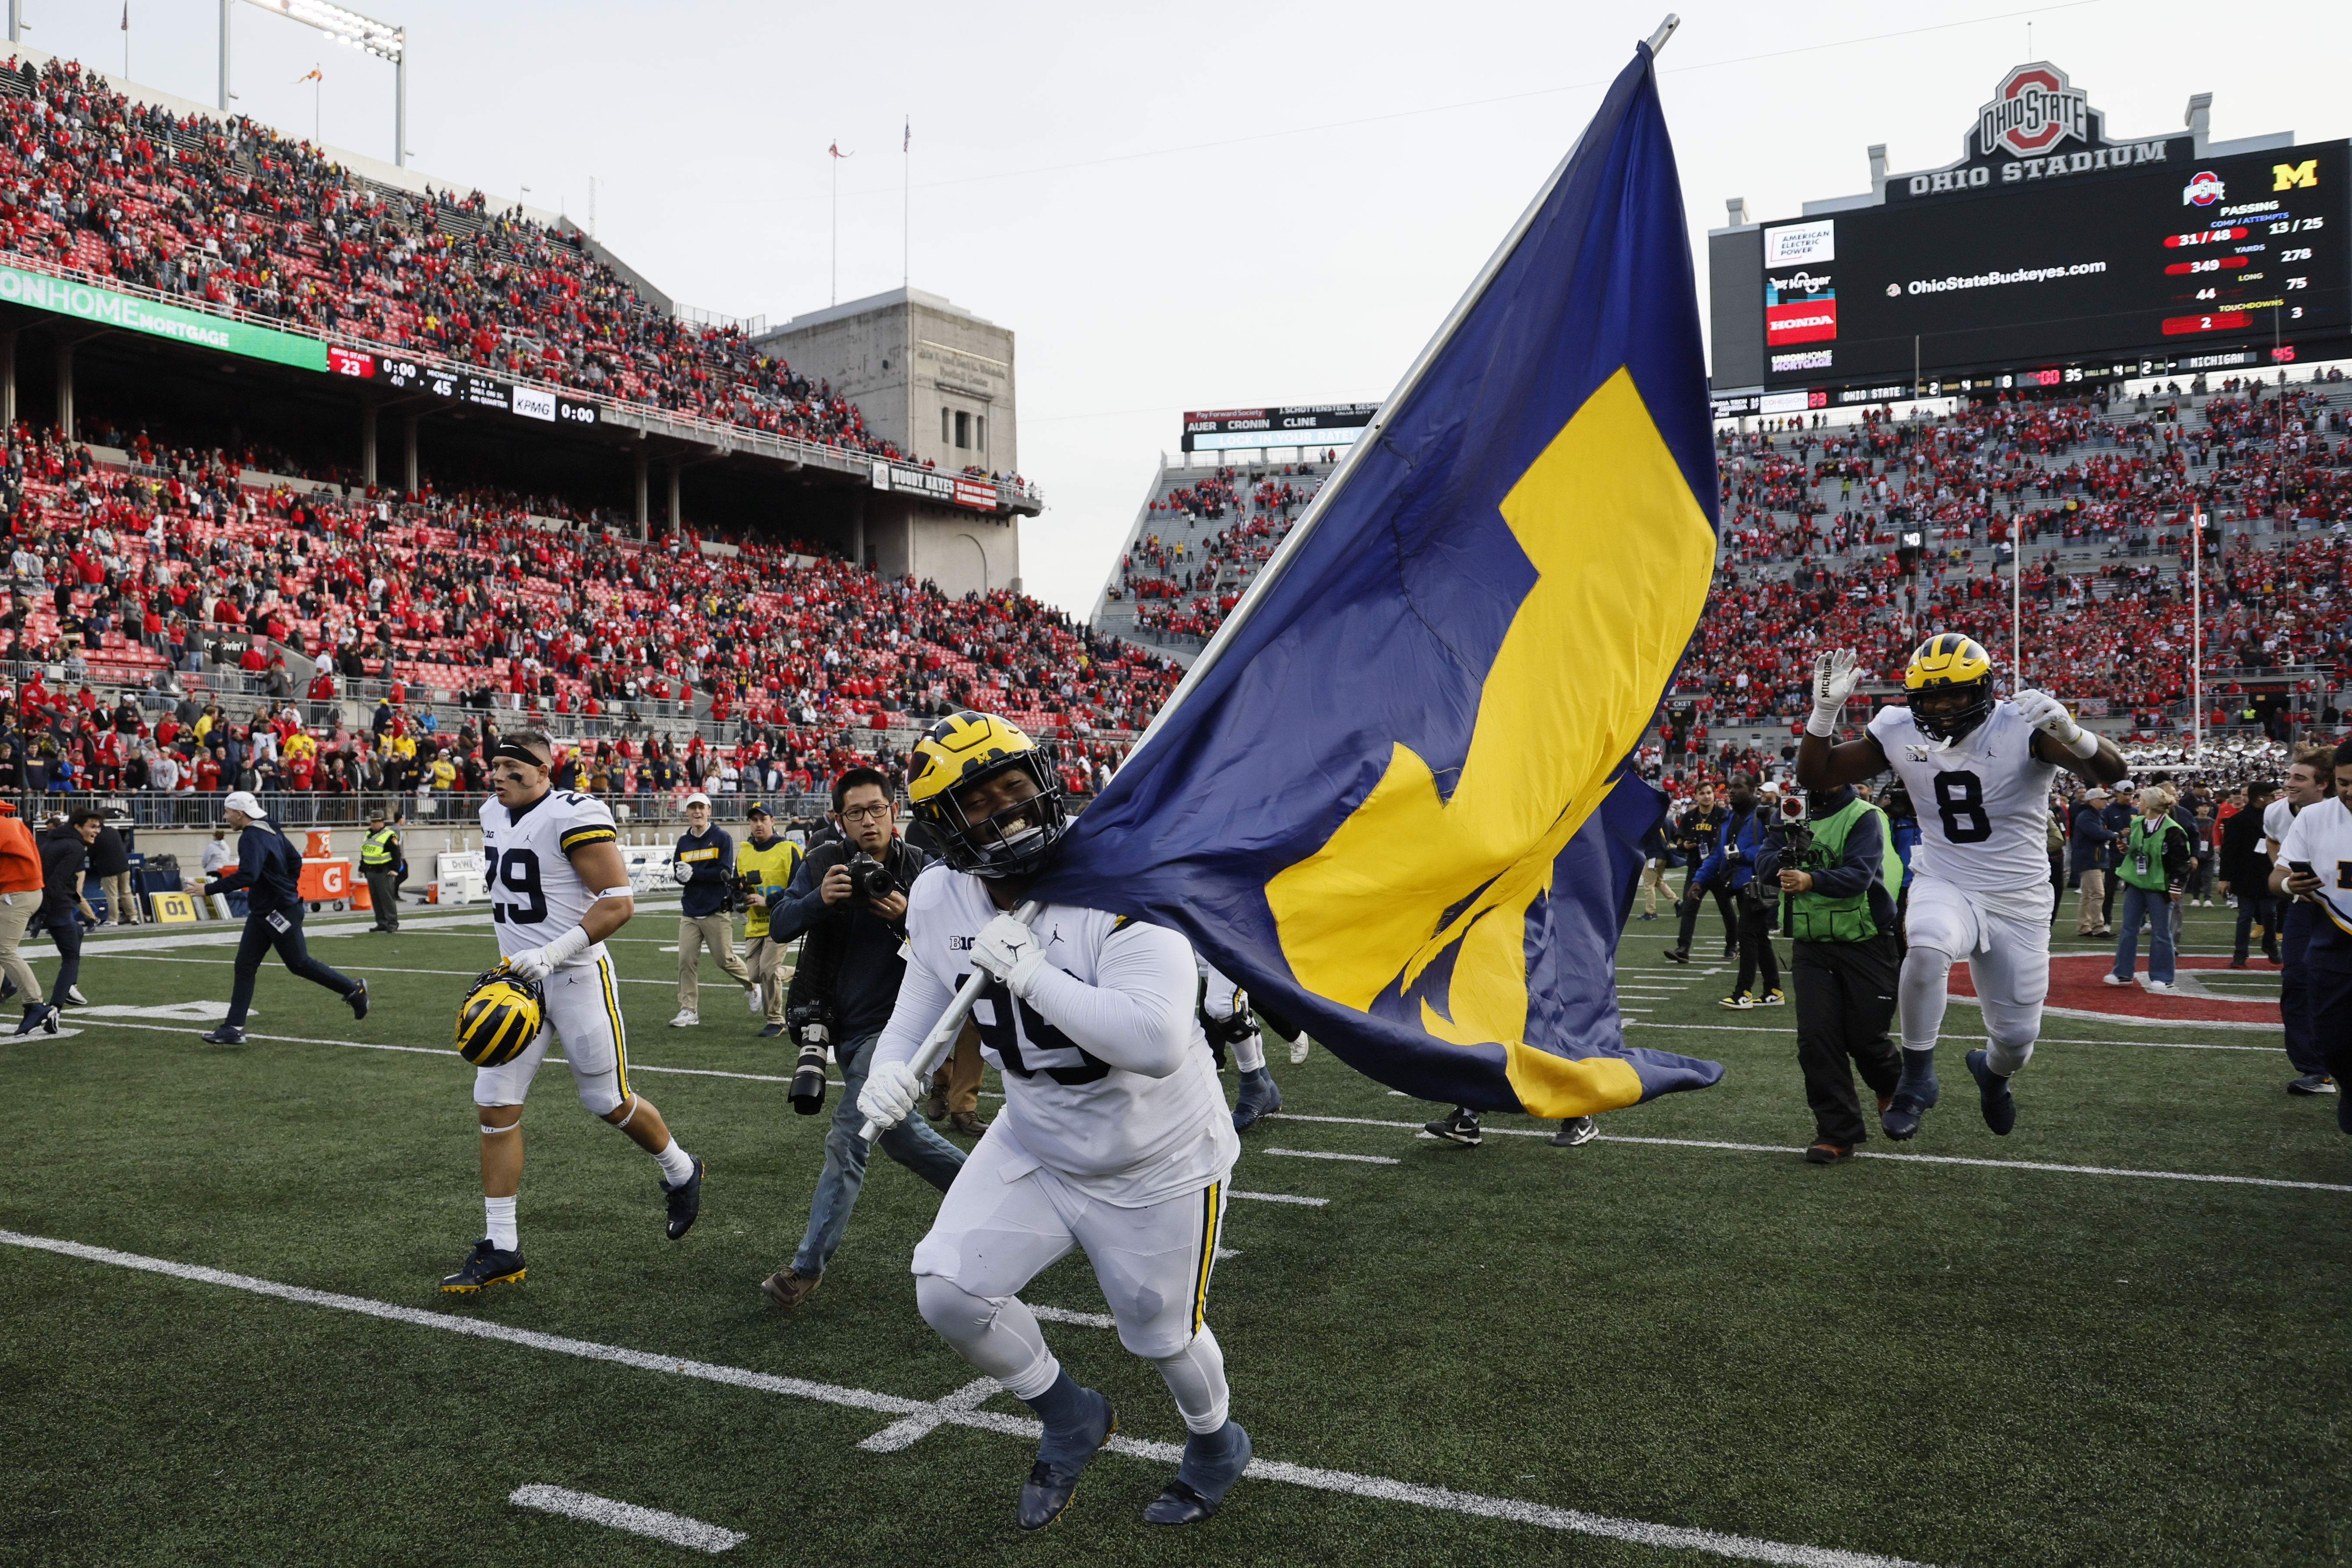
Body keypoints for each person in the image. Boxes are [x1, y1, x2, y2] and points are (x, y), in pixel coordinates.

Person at [856, 712, 1251, 1529]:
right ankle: (1068, 1413)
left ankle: (1215, 1440)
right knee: (949, 1290)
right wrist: (897, 1068)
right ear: (942, 825)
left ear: (1043, 776)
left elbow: (1152, 1041)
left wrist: (1032, 975)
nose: (1007, 809)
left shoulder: (1120, 874)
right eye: (979, 800)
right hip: (1035, 1135)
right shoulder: (939, 893)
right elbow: (924, 1000)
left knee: (1163, 1337)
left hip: (1157, 1156)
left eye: (1014, 785)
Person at [1798, 634, 2125, 1140]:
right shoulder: (1898, 727)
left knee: (2017, 1040)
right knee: (1925, 948)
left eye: (1953, 694)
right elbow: (1814, 773)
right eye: (1929, 697)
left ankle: (1992, 1075)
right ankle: (1915, 1077)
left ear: (1984, 689)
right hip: (1945, 877)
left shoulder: (2020, 725)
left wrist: (2074, 733)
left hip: (2018, 895)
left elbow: (2110, 770)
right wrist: (1822, 717)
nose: (1942, 707)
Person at [440, 731, 704, 1293]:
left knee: (607, 1099)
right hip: (517, 984)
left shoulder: (573, 811)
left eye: (512, 767)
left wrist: (554, 951)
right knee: (492, 1103)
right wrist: (525, 960)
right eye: (494, 766)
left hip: (577, 974)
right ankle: (502, 1246)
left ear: (544, 768)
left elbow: (618, 901)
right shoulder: (491, 811)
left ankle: (682, 1169)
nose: (499, 775)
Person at [759, 766, 963, 1309]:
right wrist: (818, 899)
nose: (867, 820)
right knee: (899, 1137)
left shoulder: (924, 872)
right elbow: (779, 926)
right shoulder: (825, 861)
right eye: (855, 812)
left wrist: (909, 919)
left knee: (850, 1136)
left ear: (895, 811)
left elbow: (956, 953)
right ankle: (998, 1193)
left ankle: (805, 1267)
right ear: (839, 817)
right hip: (830, 1022)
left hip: (897, 1029)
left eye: (876, 809)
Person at [1760, 780, 1906, 1162]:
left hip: (1866, 940)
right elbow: (1762, 865)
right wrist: (1785, 861)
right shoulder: (1791, 811)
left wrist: (1810, 879)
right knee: (1816, 1038)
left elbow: (1860, 876)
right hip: (1812, 944)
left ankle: (1893, 1085)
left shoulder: (1864, 816)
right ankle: (1837, 1131)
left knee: (1866, 1038)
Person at [198, 792, 369, 1046]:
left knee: (299, 963)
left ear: (240, 814)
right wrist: (284, 885)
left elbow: (248, 875)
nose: (225, 817)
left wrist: (208, 889)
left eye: (227, 812)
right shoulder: (271, 829)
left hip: (278, 910)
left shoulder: (252, 836)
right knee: (245, 966)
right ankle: (233, 1028)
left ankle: (354, 991)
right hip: (265, 910)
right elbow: (294, 860)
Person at [2270, 741, 2352, 1137]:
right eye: (2344, 783)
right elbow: (2276, 874)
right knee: (2332, 1037)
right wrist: (2290, 882)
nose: (2349, 791)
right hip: (2329, 929)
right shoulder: (2315, 817)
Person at [2266, 748, 2337, 1095]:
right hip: (2305, 907)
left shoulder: (2338, 814)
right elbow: (2274, 845)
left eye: (2298, 778)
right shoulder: (2278, 811)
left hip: (2343, 907)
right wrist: (2287, 881)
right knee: (2296, 978)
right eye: (2289, 775)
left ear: (2324, 784)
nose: (2288, 784)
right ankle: (2314, 1069)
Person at [1687, 774, 1782, 1008]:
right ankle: (1774, 990)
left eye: (1738, 787)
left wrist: (1743, 855)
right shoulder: (1729, 819)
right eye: (1730, 787)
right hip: (1740, 885)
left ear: (1753, 790)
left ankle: (1743, 993)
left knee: (1747, 935)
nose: (1731, 791)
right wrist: (1699, 880)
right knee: (1759, 937)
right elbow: (1719, 853)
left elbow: (1774, 847)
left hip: (1759, 883)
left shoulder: (1764, 815)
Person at [669, 791, 755, 1027]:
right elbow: (680, 873)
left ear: (709, 811)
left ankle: (752, 985)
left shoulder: (721, 837)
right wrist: (681, 876)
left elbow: (724, 872)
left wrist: (693, 874)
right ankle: (689, 1009)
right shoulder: (683, 841)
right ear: (687, 812)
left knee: (724, 959)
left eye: (701, 808)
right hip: (690, 909)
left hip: (716, 908)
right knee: (686, 961)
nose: (697, 812)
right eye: (693, 808)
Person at [2107, 784, 2190, 994]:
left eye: (2141, 800)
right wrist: (2127, 849)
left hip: (2159, 886)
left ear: (2151, 805)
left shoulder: (2173, 830)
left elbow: (2181, 862)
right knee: (2128, 929)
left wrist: (2175, 886)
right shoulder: (2137, 823)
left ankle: (2163, 977)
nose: (2138, 803)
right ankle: (2123, 973)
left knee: (2162, 932)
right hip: (2137, 883)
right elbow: (2137, 849)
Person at [734, 801, 802, 1039]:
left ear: (773, 822)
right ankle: (800, 973)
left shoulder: (789, 849)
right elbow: (737, 885)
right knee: (755, 975)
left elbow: (799, 886)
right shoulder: (744, 852)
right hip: (755, 923)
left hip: (781, 919)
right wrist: (740, 897)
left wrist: (769, 901)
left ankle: (776, 1020)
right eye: (754, 820)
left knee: (768, 970)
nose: (758, 824)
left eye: (763, 820)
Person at [1661, 780, 1733, 963]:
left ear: (1714, 795)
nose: (1706, 796)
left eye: (1709, 793)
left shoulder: (1724, 815)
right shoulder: (1690, 816)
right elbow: (1678, 842)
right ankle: (1683, 948)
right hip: (1696, 869)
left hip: (1719, 871)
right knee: (1689, 909)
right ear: (1696, 796)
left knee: (1727, 909)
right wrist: (1685, 845)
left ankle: (1732, 946)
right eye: (1702, 793)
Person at [34, 809, 99, 1009]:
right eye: (92, 826)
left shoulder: (53, 842)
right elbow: (57, 880)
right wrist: (43, 911)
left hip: (48, 901)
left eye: (98, 827)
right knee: (71, 958)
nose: (97, 831)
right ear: (78, 827)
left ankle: (69, 987)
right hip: (56, 906)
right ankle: (53, 1008)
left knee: (78, 931)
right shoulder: (75, 847)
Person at [0, 801, 56, 1034]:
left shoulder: (5, 826)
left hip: (15, 893)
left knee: (4, 950)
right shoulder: (13, 824)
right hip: (22, 891)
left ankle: (35, 1004)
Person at [2220, 780, 2282, 968]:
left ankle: (2270, 944)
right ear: (2261, 797)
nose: (2275, 799)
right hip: (2244, 875)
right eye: (2272, 796)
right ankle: (2240, 955)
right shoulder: (2238, 820)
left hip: (2269, 874)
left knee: (2270, 914)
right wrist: (2224, 878)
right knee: (2245, 916)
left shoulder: (2276, 819)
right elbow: (2229, 850)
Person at [2069, 787, 2116, 937]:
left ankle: (2084, 926)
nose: (2106, 802)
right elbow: (2097, 834)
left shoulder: (2091, 815)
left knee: (2088, 895)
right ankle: (2098, 928)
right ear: (2094, 800)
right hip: (2090, 860)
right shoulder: (2087, 816)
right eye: (2103, 799)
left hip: (2091, 859)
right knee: (2097, 894)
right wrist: (2114, 834)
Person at [86, 816, 136, 928]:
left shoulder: (97, 836)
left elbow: (90, 853)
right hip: (124, 866)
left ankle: (113, 919)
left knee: (112, 895)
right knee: (126, 892)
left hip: (108, 869)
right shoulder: (114, 831)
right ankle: (133, 916)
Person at [360, 807, 402, 933]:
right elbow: (365, 852)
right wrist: (362, 868)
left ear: (382, 822)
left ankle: (392, 923)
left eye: (376, 822)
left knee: (387, 899)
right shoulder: (368, 834)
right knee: (376, 899)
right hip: (371, 871)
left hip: (384, 871)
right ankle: (381, 923)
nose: (373, 824)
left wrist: (395, 869)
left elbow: (396, 854)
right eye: (372, 822)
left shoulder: (389, 835)